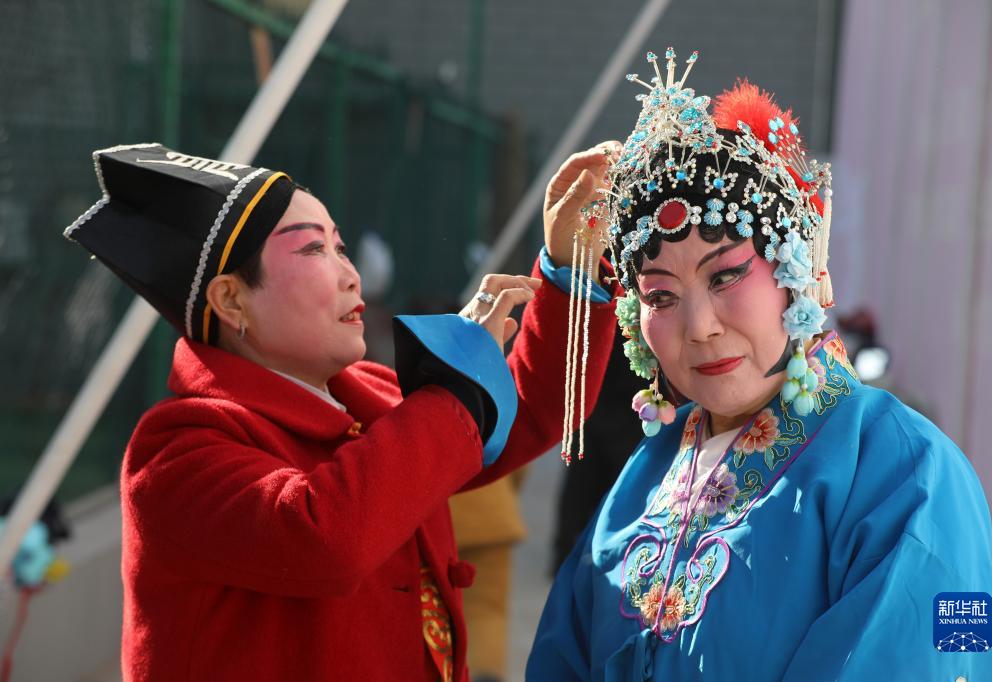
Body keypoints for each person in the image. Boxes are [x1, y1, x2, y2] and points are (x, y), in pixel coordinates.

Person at [62, 141, 620, 681]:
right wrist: (456, 383)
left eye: (340, 247)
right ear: (231, 300)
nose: (351, 275)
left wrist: (570, 265)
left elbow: (524, 413)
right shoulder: (175, 450)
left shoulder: (367, 394)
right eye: (312, 250)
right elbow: (325, 537)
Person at [527, 49, 992, 679]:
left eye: (725, 275)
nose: (699, 326)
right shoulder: (643, 483)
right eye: (661, 296)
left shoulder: (909, 471)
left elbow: (944, 645)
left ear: (795, 274)